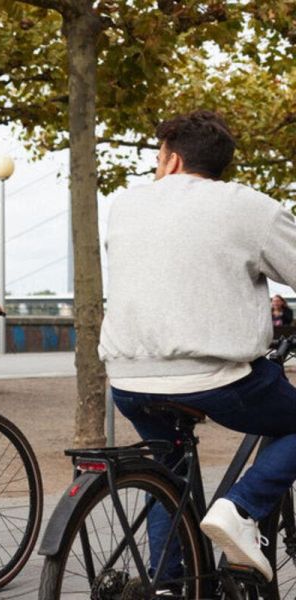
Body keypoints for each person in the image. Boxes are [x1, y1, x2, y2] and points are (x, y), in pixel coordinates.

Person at [99, 110, 296, 583]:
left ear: (171, 160)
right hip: (214, 379)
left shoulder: (124, 204)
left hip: (126, 377)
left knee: (167, 465)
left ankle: (168, 585)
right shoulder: (252, 207)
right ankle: (241, 510)